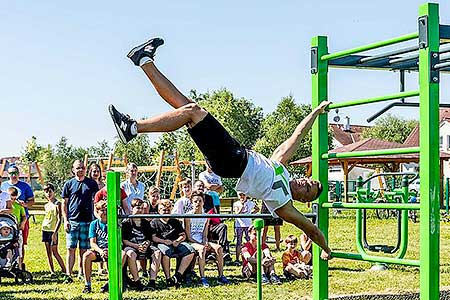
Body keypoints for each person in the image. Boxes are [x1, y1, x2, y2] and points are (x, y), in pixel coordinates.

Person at [109, 37, 332, 259]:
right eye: (309, 181)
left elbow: (310, 229)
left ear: (304, 200)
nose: (305, 183)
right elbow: (298, 134)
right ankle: (145, 60)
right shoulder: (280, 166)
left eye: (308, 189)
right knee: (188, 107)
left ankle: (132, 127)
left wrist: (326, 250)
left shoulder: (284, 204)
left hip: (233, 162)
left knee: (192, 112)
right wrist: (315, 112)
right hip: (234, 153)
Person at [61, 160, 99, 281]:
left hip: (87, 221)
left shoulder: (92, 184)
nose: (80, 170)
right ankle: (68, 274)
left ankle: (82, 273)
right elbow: (64, 204)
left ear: (85, 169)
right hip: (72, 221)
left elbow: (96, 202)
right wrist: (65, 220)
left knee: (84, 249)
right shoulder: (68, 184)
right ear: (73, 170)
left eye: (82, 168)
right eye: (78, 168)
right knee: (70, 248)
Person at [184, 191, 230, 287]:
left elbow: (205, 234)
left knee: (219, 248)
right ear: (192, 202)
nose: (197, 203)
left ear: (203, 202)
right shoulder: (188, 216)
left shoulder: (206, 216)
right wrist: (201, 244)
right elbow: (188, 236)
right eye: (195, 201)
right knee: (202, 249)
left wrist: (205, 242)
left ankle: (221, 275)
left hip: (202, 241)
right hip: (192, 241)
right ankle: (202, 278)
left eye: (200, 201)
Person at [82, 200, 126, 293]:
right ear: (97, 212)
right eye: (102, 210)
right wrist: (101, 251)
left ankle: (111, 282)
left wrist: (110, 250)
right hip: (98, 250)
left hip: (111, 249)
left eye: (106, 210)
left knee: (123, 254)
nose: (105, 212)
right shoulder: (94, 224)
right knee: (86, 255)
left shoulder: (114, 223)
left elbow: (119, 241)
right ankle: (87, 284)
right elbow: (92, 243)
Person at [150, 199, 195, 287]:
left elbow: (183, 235)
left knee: (190, 250)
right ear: (159, 211)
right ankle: (168, 278)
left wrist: (178, 241)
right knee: (166, 252)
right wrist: (164, 241)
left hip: (176, 242)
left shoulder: (175, 221)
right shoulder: (154, 222)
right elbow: (153, 237)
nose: (166, 212)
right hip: (162, 243)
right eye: (164, 210)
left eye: (168, 210)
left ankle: (178, 275)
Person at [122, 198, 161, 290]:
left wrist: (146, 244)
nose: (140, 210)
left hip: (144, 246)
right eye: (138, 208)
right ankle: (137, 281)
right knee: (130, 253)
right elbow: (124, 240)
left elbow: (149, 238)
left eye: (142, 208)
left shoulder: (146, 223)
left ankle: (152, 281)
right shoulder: (126, 223)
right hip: (131, 246)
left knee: (157, 252)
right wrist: (136, 246)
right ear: (132, 209)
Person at [1, 165, 34, 266]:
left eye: (15, 173)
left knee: (20, 243)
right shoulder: (3, 186)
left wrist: (25, 205)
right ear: (8, 174)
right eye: (11, 173)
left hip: (21, 218)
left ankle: (19, 264)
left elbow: (32, 201)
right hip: (4, 220)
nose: (13, 175)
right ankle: (4, 263)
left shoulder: (25, 186)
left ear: (18, 174)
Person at [193, 180, 230, 261]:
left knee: (222, 226)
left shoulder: (209, 197)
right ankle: (208, 253)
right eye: (198, 186)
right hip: (199, 225)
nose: (201, 187)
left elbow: (213, 210)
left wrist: (216, 218)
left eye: (202, 186)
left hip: (210, 223)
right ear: (194, 187)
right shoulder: (192, 198)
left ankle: (223, 251)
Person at [41, 183, 66, 276]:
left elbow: (60, 219)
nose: (48, 193)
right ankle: (52, 271)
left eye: (50, 191)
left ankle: (65, 270)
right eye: (46, 192)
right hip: (45, 229)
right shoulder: (46, 205)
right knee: (48, 252)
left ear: (53, 191)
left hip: (53, 231)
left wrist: (55, 233)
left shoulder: (57, 204)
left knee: (55, 251)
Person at [233, 192, 259, 263]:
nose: (242, 197)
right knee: (239, 241)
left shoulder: (251, 203)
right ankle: (237, 259)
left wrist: (251, 214)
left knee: (249, 241)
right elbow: (237, 213)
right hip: (239, 225)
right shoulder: (236, 204)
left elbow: (257, 209)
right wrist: (241, 207)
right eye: (240, 195)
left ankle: (250, 256)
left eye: (243, 195)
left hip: (248, 224)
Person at [6, 187, 26, 269]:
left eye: (15, 198)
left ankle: (20, 267)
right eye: (11, 198)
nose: (13, 200)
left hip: (17, 230)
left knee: (19, 248)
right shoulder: (6, 205)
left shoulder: (19, 205)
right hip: (7, 230)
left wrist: (22, 223)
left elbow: (24, 216)